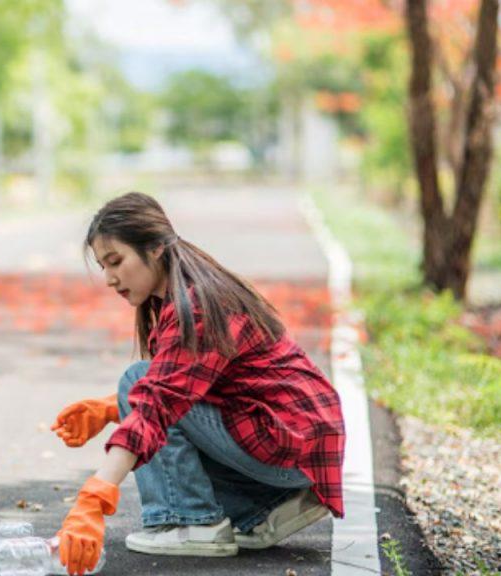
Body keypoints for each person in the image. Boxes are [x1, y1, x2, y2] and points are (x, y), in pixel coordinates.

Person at [51, 192, 345, 574]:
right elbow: (189, 380)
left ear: (155, 247)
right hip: (299, 443)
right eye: (103, 266)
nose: (109, 279)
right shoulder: (191, 291)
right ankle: (265, 509)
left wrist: (92, 499)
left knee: (138, 380)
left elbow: (160, 402)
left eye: (116, 261)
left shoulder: (199, 305)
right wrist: (111, 408)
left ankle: (192, 522)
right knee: (142, 385)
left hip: (289, 441)